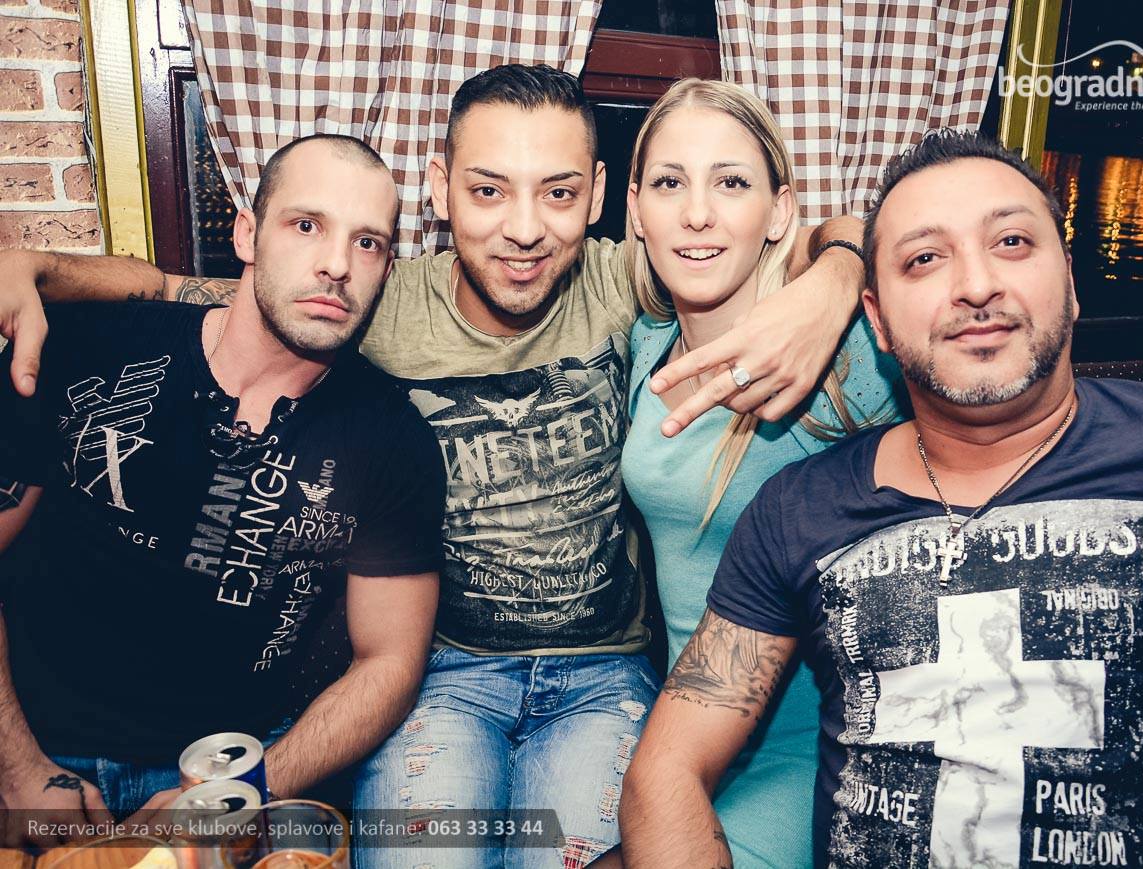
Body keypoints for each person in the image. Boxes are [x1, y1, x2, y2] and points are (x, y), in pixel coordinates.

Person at [0, 65, 873, 867]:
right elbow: (170, 288)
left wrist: (838, 272)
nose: (524, 229)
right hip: (449, 675)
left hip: (604, 675)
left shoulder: (625, 279)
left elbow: (824, 237)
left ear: (604, 199)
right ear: (440, 189)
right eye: (489, 190)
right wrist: (34, 265)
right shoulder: (372, 294)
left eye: (558, 193)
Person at [619, 131, 1143, 869]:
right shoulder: (797, 507)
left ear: (1072, 283)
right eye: (924, 259)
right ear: (877, 321)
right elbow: (666, 771)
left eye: (1011, 242)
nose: (976, 285)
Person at [0, 135, 445, 847]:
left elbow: (389, 662)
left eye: (367, 242)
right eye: (307, 225)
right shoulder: (91, 345)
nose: (337, 264)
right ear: (246, 233)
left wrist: (243, 789)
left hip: (228, 766)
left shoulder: (392, 439)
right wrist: (20, 769)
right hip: (32, 745)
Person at [619, 78, 904, 868]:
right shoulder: (647, 344)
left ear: (780, 213)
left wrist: (842, 268)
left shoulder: (846, 361)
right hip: (682, 731)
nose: (697, 213)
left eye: (731, 183)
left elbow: (987, 372)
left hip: (811, 750)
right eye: (669, 182)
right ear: (635, 209)